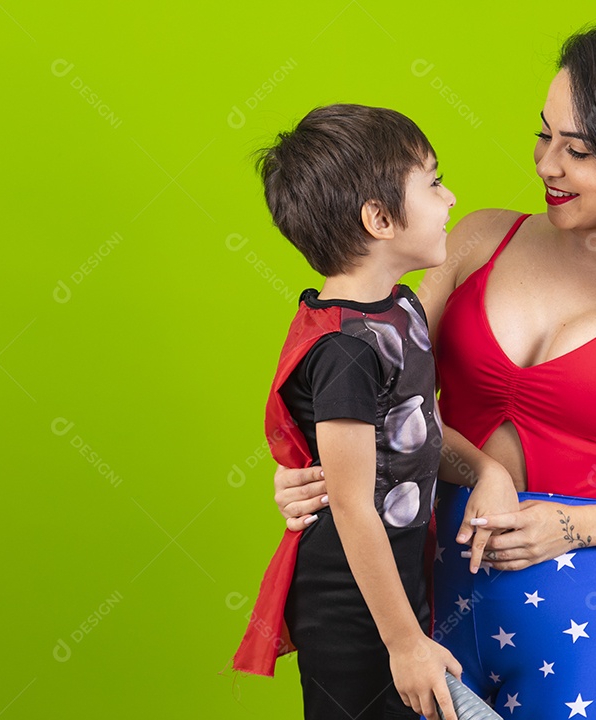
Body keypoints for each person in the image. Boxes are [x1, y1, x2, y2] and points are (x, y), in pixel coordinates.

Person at [272, 26, 596, 720]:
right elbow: (366, 381)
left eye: (580, 150)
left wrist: (572, 527)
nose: (547, 165)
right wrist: (309, 469)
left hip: (585, 634)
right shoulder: (477, 240)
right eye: (545, 135)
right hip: (424, 605)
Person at [232, 103, 465, 720]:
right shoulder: (344, 351)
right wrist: (404, 641)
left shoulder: (401, 306)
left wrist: (488, 472)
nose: (450, 198)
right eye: (434, 181)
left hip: (397, 573)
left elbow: (417, 428)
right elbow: (352, 504)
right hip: (350, 595)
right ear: (380, 218)